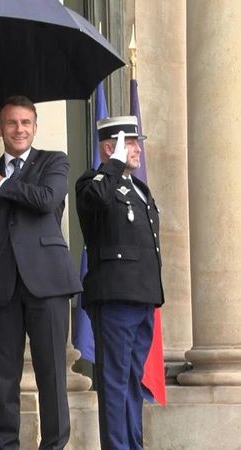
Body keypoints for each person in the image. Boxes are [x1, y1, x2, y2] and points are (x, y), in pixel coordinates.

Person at [0, 95, 82, 450]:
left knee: (52, 377)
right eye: (11, 123)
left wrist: (1, 181)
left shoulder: (54, 162)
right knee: (3, 380)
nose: (19, 129)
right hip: (1, 286)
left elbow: (46, 200)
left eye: (25, 123)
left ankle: (54, 446)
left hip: (47, 284)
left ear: (34, 127)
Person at [75, 115, 163, 450]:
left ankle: (132, 445)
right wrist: (112, 163)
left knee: (131, 381)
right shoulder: (94, 182)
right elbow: (94, 200)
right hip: (114, 299)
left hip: (142, 297)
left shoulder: (139, 189)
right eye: (131, 143)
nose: (138, 149)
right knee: (114, 382)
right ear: (110, 147)